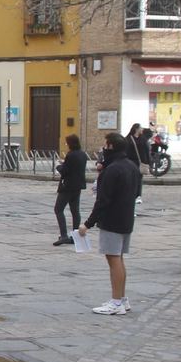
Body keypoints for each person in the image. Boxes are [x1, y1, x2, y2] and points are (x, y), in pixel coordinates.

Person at [78, 133, 138, 316]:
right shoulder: (131, 166)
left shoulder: (112, 170)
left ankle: (116, 302)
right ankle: (122, 298)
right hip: (126, 218)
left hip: (112, 220)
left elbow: (103, 201)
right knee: (119, 258)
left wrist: (87, 224)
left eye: (105, 145)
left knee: (113, 259)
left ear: (110, 146)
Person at [53, 134, 88, 246]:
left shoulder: (71, 155)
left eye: (66, 143)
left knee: (58, 209)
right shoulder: (82, 154)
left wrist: (58, 165)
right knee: (75, 210)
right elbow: (74, 167)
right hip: (78, 185)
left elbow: (64, 170)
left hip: (67, 186)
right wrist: (64, 163)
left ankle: (64, 235)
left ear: (70, 144)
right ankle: (75, 235)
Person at [127, 123, 148, 204]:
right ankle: (131, 194)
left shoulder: (143, 138)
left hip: (141, 162)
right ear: (136, 129)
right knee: (132, 179)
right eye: (140, 128)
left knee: (139, 179)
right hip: (131, 161)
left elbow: (146, 150)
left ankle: (138, 195)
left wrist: (148, 161)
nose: (142, 129)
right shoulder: (129, 138)